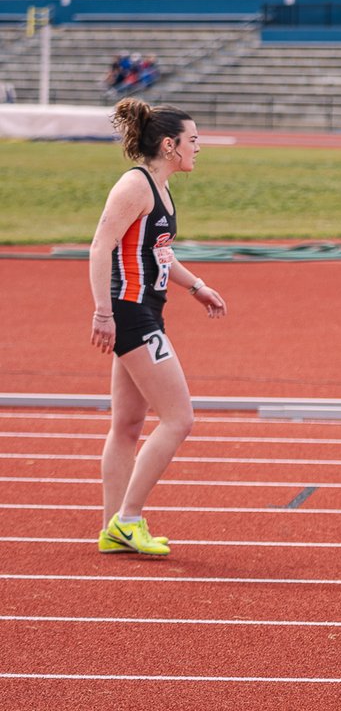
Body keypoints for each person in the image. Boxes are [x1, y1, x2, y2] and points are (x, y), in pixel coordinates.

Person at [89, 98, 227, 556]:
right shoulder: (136, 186)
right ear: (169, 145)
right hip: (130, 311)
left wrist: (196, 286)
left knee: (128, 423)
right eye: (193, 140)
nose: (198, 148)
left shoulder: (161, 189)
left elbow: (159, 252)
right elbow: (100, 246)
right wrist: (103, 312)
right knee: (179, 418)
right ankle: (128, 519)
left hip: (146, 308)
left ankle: (114, 526)